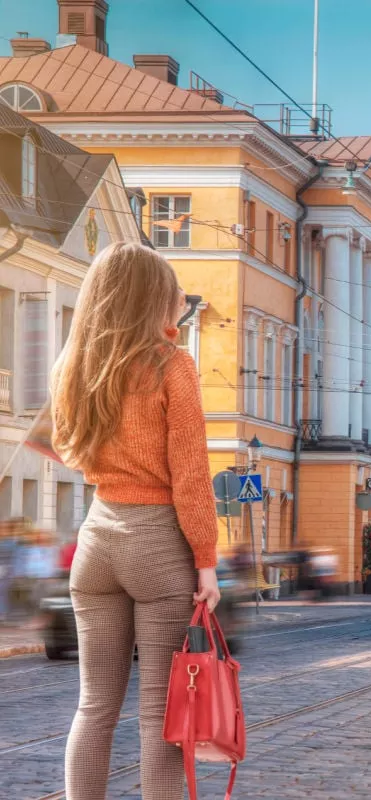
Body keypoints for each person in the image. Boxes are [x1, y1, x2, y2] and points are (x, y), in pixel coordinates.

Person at [50, 241, 220, 800]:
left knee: (94, 707)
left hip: (96, 539)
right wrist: (207, 562)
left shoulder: (73, 366)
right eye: (171, 290)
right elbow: (191, 475)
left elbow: (66, 450)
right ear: (155, 297)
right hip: (157, 543)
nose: (179, 300)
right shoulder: (172, 365)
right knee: (158, 716)